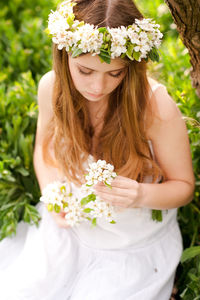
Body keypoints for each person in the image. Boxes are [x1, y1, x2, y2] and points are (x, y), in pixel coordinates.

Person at [0, 0, 195, 299]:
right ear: (64, 56)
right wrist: (53, 195)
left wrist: (141, 194)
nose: (98, 87)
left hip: (131, 239)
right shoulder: (51, 87)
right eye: (85, 71)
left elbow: (184, 187)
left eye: (114, 74)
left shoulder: (155, 107)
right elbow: (43, 149)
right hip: (70, 226)